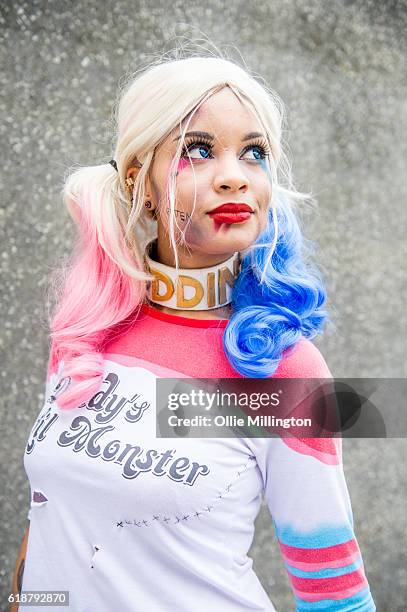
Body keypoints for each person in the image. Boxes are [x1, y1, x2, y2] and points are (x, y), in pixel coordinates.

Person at [11, 51, 376, 611]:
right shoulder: (85, 335)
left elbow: (333, 586)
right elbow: (50, 515)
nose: (235, 176)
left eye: (254, 153)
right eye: (198, 151)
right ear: (140, 184)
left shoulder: (286, 369)